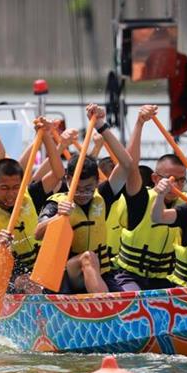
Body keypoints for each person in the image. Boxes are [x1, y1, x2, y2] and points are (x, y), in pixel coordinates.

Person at [35, 106, 133, 293]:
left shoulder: (103, 196)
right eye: (77, 188)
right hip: (67, 274)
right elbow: (38, 233)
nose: (83, 194)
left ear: (97, 182)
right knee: (88, 257)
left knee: (91, 260)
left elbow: (127, 165)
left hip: (99, 272)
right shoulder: (56, 203)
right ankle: (104, 309)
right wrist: (57, 218)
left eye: (88, 188)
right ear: (67, 180)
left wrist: (101, 126)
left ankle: (104, 303)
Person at [0, 122, 63, 294]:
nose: (11, 194)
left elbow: (58, 174)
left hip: (41, 265)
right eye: (5, 188)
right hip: (11, 274)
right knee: (29, 283)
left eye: (16, 187)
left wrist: (46, 136)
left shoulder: (29, 195)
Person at [110, 105, 185, 291]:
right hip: (128, 277)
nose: (174, 185)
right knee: (138, 299)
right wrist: (139, 123)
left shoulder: (185, 206)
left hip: (162, 279)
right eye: (169, 179)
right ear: (155, 178)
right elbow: (130, 165)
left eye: (181, 180)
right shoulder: (141, 198)